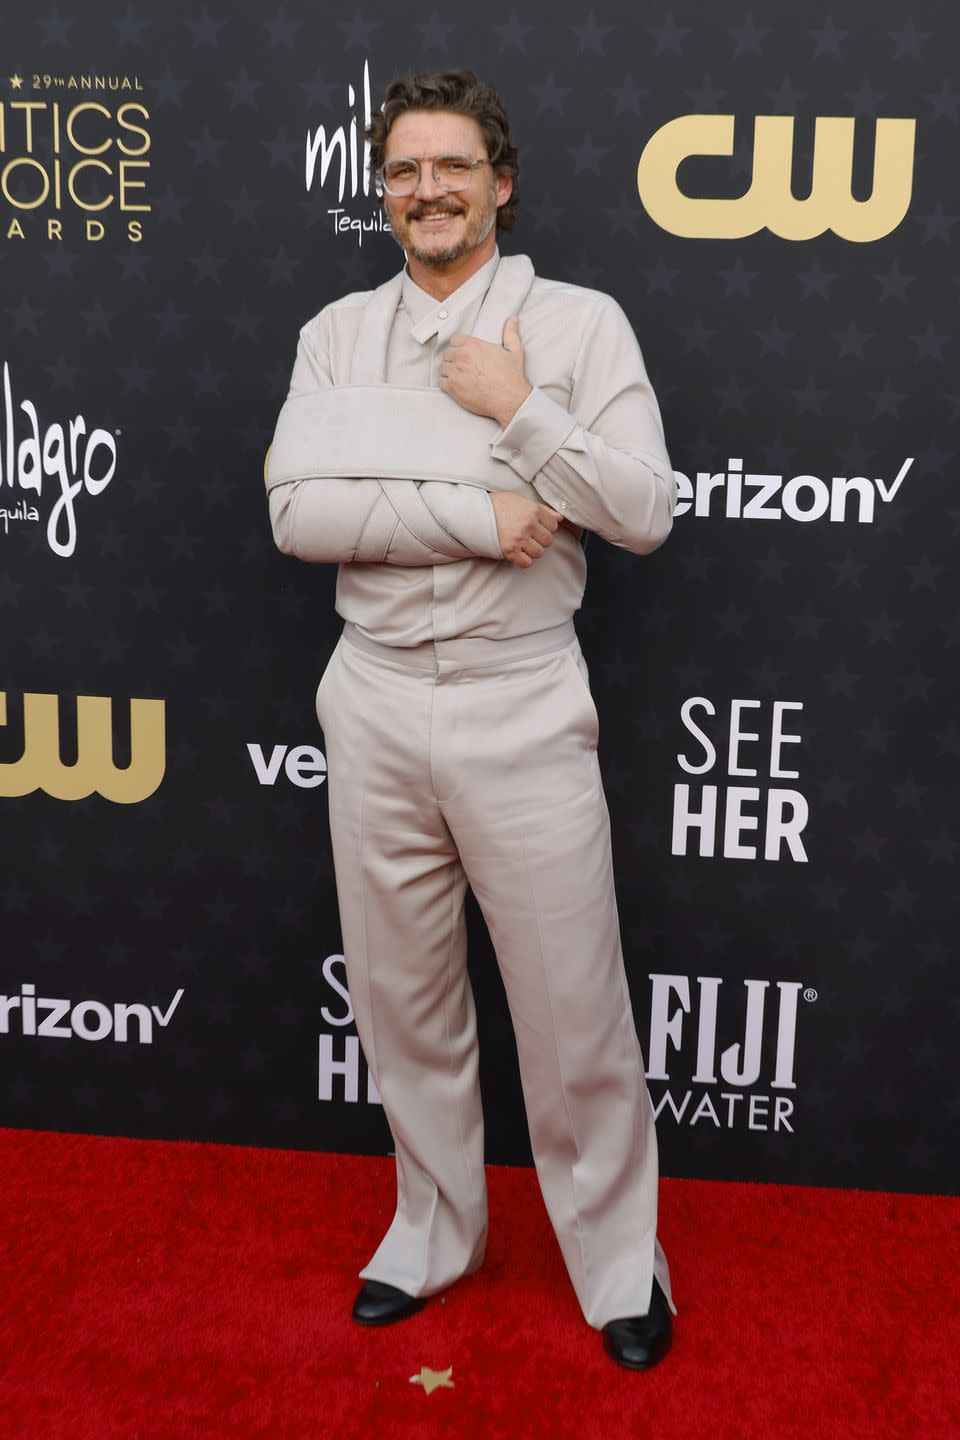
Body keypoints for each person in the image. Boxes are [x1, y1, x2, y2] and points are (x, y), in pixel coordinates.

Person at [265, 68, 678, 1370]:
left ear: (500, 181)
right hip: (373, 697)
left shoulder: (577, 324)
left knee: (573, 1010)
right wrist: (476, 507)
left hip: (520, 699)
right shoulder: (334, 334)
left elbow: (644, 509)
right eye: (404, 171)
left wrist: (517, 412)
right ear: (379, 188)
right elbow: (298, 514)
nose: (427, 190)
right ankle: (435, 1230)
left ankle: (620, 1263)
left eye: (453, 167)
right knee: (403, 1002)